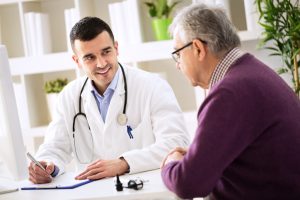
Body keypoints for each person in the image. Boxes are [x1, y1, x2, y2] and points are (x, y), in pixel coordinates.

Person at [161, 3, 300, 200]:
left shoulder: (229, 93)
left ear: (198, 49)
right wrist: (197, 156)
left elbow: (188, 184)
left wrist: (171, 164)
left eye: (178, 53)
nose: (177, 65)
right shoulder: (254, 73)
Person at [28, 16, 189, 184]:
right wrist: (47, 165)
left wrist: (124, 163)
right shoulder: (69, 96)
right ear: (77, 61)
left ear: (116, 48)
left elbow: (176, 143)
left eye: (106, 52)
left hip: (146, 190)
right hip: (95, 193)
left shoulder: (153, 86)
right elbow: (55, 147)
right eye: (89, 57)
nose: (101, 63)